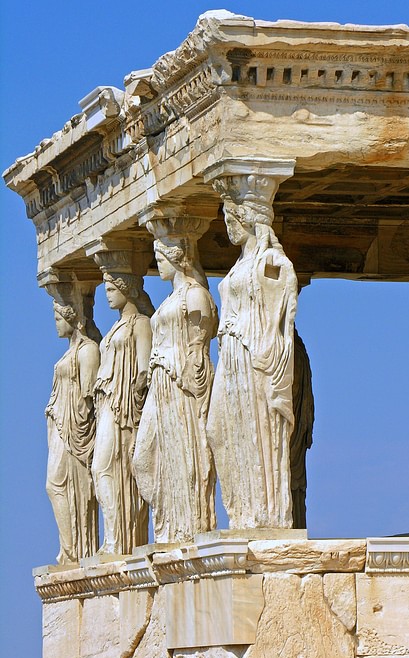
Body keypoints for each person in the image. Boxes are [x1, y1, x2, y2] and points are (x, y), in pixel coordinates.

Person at [207, 183, 298, 528]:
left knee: (253, 427)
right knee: (218, 430)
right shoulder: (240, 264)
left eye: (233, 217)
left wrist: (267, 351)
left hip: (251, 355)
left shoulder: (269, 261)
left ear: (250, 219)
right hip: (230, 355)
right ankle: (243, 512)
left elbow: (284, 308)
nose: (228, 223)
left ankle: (263, 514)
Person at [133, 238, 217, 543]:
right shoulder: (171, 300)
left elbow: (199, 346)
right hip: (161, 382)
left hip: (179, 381)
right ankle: (168, 522)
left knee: (183, 450)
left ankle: (188, 526)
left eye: (161, 257)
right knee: (143, 458)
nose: (158, 264)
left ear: (177, 257)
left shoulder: (195, 295)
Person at [92, 272, 154, 554]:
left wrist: (136, 402)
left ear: (126, 288)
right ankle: (113, 538)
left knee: (104, 468)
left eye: (111, 287)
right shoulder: (115, 327)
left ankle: (118, 540)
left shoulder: (140, 324)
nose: (107, 294)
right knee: (103, 471)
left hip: (123, 408)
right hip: (106, 403)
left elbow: (143, 369)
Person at [46, 300, 100, 563]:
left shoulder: (88, 351)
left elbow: (90, 398)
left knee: (57, 485)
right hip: (59, 425)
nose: (55, 324)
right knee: (55, 486)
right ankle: (69, 550)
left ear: (71, 318)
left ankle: (74, 551)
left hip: (74, 429)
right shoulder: (70, 352)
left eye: (58, 318)